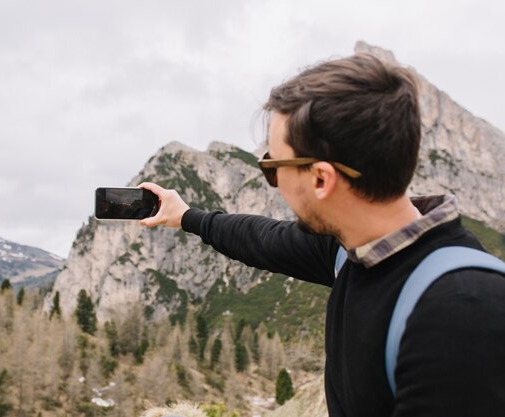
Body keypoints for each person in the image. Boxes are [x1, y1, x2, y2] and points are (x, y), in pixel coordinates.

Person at [138, 53, 505, 417]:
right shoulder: (350, 250)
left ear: (320, 179)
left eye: (272, 168)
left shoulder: (462, 313)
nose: (274, 182)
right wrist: (185, 216)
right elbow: (261, 239)